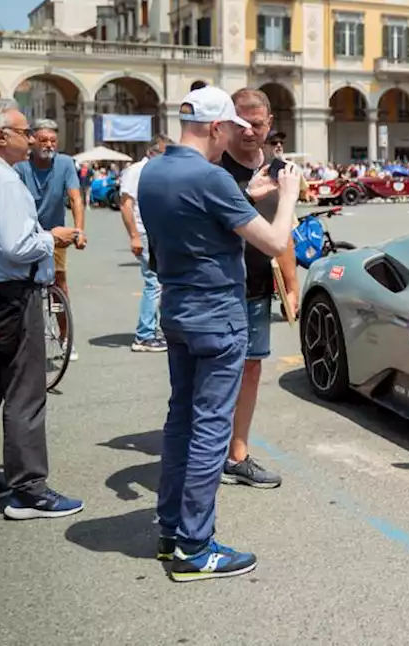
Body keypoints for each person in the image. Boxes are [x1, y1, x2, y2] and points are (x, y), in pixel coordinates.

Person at [139, 86, 301, 581]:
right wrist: (287, 196)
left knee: (180, 421)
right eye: (231, 128)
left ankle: (172, 531)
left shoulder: (154, 170)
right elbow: (274, 242)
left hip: (179, 310)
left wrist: (242, 196)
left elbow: (196, 220)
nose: (237, 135)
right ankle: (195, 545)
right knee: (212, 428)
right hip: (217, 313)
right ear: (215, 128)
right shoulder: (209, 176)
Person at [0, 100, 83, 518]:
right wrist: (52, 237)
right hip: (12, 294)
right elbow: (16, 245)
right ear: (1, 136)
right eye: (25, 132)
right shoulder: (1, 180)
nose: (31, 139)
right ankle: (29, 489)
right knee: (25, 392)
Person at [217, 88, 301, 491]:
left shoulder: (281, 168)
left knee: (251, 369)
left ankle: (237, 453)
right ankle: (207, 451)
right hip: (217, 288)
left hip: (257, 289)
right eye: (242, 122)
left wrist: (292, 283)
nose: (250, 130)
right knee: (216, 374)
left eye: (258, 123)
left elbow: (285, 232)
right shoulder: (214, 166)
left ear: (270, 124)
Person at [15, 118, 85, 360]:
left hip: (56, 234)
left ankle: (65, 338)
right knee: (22, 285)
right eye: (43, 140)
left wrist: (79, 230)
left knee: (59, 285)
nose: (49, 144)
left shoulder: (65, 164)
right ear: (32, 140)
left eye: (53, 140)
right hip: (27, 233)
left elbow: (75, 198)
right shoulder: (21, 167)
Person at [119, 135, 170, 353]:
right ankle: (144, 335)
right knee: (154, 282)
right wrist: (134, 236)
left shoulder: (159, 171)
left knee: (161, 282)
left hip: (158, 231)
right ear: (152, 152)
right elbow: (126, 205)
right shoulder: (137, 171)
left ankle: (154, 329)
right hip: (144, 231)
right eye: (165, 154)